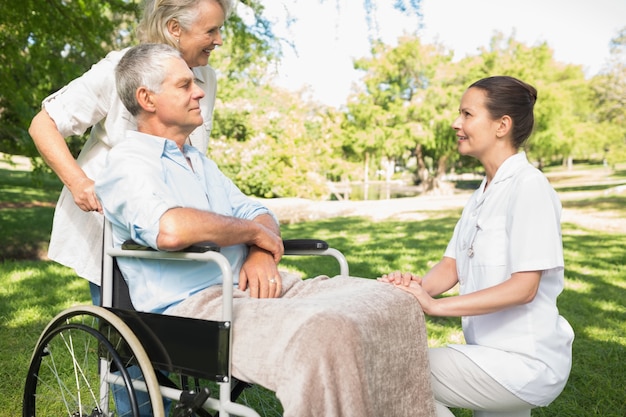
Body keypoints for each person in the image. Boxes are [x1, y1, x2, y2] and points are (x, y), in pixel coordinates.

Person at [95, 43, 437, 417]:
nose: (199, 91)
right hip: (194, 309)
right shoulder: (126, 165)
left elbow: (257, 212)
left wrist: (259, 251)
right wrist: (253, 234)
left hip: (252, 286)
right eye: (184, 85)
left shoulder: (197, 161)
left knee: (395, 301)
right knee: (326, 334)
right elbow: (171, 229)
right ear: (147, 98)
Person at [379, 76, 574, 417]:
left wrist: (436, 307)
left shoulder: (529, 187)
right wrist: (412, 290)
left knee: (391, 371)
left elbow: (524, 288)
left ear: (502, 125)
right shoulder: (482, 192)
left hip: (525, 361)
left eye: (467, 114)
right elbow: (451, 266)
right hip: (487, 350)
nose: (456, 123)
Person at [29, 0, 231, 304]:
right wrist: (78, 183)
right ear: (175, 28)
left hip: (167, 219)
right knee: (120, 318)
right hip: (111, 217)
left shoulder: (206, 79)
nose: (219, 40)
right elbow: (43, 124)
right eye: (211, 30)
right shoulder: (119, 68)